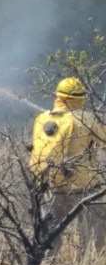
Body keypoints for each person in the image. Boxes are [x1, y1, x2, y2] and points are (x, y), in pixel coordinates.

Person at [29, 76, 106, 254]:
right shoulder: (87, 119)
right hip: (84, 185)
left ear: (58, 97)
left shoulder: (42, 118)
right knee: (96, 228)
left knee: (49, 231)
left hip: (49, 184)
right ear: (80, 98)